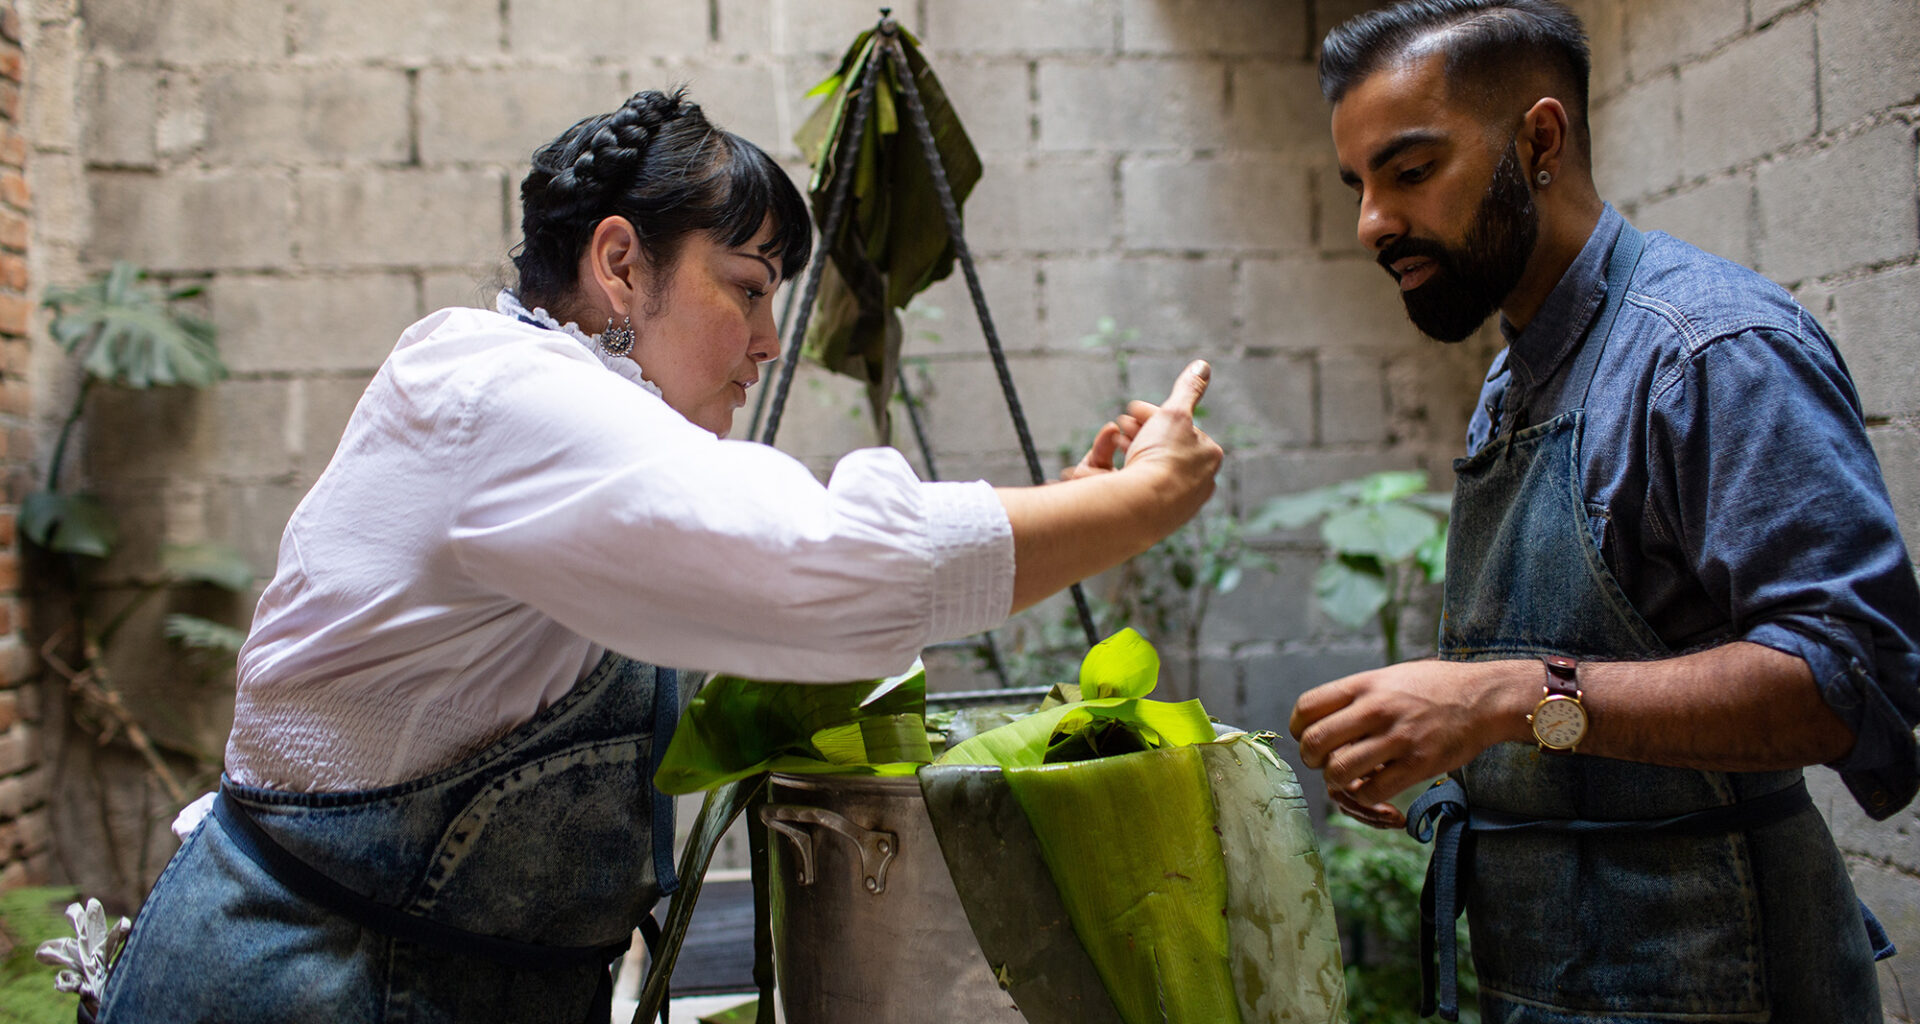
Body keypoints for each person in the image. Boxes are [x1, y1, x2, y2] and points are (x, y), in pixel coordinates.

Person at [92, 88, 1222, 1023]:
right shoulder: (499, 392)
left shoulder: (554, 424)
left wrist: (1066, 510)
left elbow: (759, 570)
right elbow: (822, 569)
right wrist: (1143, 498)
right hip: (312, 985)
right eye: (746, 288)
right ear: (621, 265)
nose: (769, 341)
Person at [1286, 2, 1920, 1020]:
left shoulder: (1708, 350)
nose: (1373, 224)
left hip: (1724, 982)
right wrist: (1452, 748)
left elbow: (1847, 675)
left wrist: (1496, 700)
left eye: (1410, 173)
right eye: (1359, 185)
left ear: (1540, 139)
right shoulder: (1514, 380)